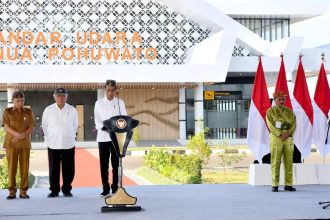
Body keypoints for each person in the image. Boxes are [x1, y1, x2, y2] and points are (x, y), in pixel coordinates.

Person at [41, 88, 78, 198]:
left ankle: (67, 189)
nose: (61, 98)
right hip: (53, 143)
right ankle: (54, 190)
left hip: (68, 143)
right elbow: (44, 126)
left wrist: (70, 135)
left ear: (66, 97)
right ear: (54, 97)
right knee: (53, 169)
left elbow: (75, 126)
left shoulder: (72, 110)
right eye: (58, 96)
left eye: (63, 96)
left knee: (69, 168)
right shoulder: (48, 110)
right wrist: (49, 138)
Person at [94, 80, 127, 197]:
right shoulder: (99, 103)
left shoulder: (120, 103)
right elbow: (97, 120)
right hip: (103, 137)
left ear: (115, 90)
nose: (110, 92)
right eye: (108, 90)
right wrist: (104, 127)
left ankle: (115, 188)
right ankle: (105, 188)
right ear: (105, 89)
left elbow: (124, 118)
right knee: (104, 165)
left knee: (115, 164)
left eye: (112, 90)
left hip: (116, 138)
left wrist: (118, 127)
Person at [2, 91, 35, 199]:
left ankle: (23, 192)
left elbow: (31, 126)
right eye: (17, 101)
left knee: (24, 168)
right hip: (11, 143)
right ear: (13, 101)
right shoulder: (7, 111)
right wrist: (18, 135)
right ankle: (12, 191)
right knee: (12, 168)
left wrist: (22, 135)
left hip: (24, 144)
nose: (20, 103)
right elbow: (6, 126)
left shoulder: (29, 112)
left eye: (22, 101)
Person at [266, 90, 296, 192]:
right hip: (276, 138)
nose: (282, 101)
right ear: (275, 100)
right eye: (279, 99)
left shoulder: (290, 112)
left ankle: (288, 184)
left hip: (288, 138)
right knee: (275, 161)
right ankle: (275, 184)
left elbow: (294, 124)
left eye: (283, 99)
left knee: (289, 161)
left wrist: (288, 133)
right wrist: (279, 134)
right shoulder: (270, 112)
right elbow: (270, 125)